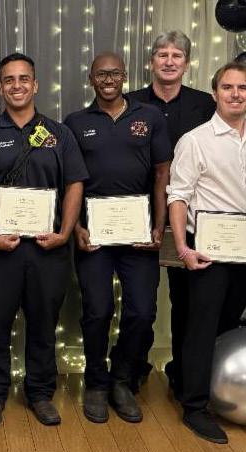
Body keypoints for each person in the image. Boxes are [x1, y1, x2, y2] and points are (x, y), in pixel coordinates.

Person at [0, 53, 88, 427]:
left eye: (23, 79)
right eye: (9, 80)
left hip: (48, 249)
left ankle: (40, 393)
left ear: (35, 85)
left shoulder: (59, 134)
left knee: (43, 325)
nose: (16, 85)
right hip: (0, 251)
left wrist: (65, 233)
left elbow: (74, 184)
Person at [167, 62, 246, 443]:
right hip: (206, 250)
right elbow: (178, 197)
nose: (235, 94)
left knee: (229, 324)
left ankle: (214, 391)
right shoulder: (195, 140)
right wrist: (183, 248)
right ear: (215, 93)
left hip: (244, 250)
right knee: (201, 328)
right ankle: (194, 406)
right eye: (227, 87)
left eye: (243, 88)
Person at [63, 52, 171, 424]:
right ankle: (96, 382)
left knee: (142, 312)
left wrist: (159, 226)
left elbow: (162, 174)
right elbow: (70, 181)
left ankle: (122, 379)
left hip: (138, 234)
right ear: (91, 79)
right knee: (97, 310)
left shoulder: (150, 117)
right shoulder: (76, 122)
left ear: (124, 76)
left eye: (114, 73)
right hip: (94, 234)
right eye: (100, 74)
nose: (108, 80)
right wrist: (76, 227)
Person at [125, 31, 216, 397]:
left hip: (189, 216)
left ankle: (183, 371)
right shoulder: (129, 103)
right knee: (140, 301)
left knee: (186, 299)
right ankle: (134, 367)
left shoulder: (205, 105)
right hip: (139, 214)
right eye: (162, 54)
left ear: (187, 64)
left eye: (177, 55)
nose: (169, 61)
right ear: (151, 62)